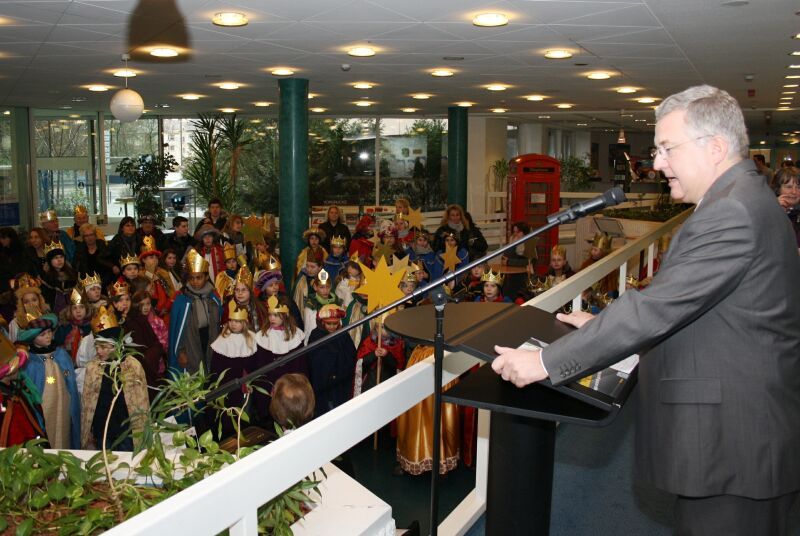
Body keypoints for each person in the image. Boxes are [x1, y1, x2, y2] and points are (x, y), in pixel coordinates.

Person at [491, 85, 800, 535]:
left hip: (737, 444)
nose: (656, 164)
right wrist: (601, 326)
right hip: (744, 436)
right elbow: (700, 308)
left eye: (667, 148)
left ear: (715, 147)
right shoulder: (743, 199)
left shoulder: (731, 211)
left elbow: (653, 309)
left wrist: (543, 361)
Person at [80, 307, 149, 451]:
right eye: (97, 347)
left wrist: (142, 432)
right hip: (102, 430)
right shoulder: (93, 367)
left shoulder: (132, 366)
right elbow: (87, 402)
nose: (99, 351)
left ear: (116, 345)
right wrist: (89, 431)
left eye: (104, 347)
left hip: (126, 431)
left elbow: (141, 401)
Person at [16, 312, 80, 449]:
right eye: (42, 334)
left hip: (64, 401)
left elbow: (70, 381)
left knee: (64, 428)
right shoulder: (30, 361)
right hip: (44, 404)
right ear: (33, 338)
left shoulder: (61, 354)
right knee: (47, 426)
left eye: (49, 332)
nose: (48, 336)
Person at [168, 248, 222, 375]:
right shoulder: (181, 300)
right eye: (192, 278)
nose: (195, 282)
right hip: (190, 343)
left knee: (211, 373)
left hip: (210, 339)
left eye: (199, 278)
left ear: (206, 277)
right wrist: (180, 352)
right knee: (195, 375)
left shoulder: (214, 298)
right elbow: (177, 331)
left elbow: (218, 323)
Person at [210, 301, 260, 437]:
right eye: (231, 320)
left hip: (245, 387)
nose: (233, 324)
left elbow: (255, 364)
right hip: (227, 387)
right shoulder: (222, 339)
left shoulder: (252, 338)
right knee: (228, 417)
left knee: (245, 414)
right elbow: (216, 367)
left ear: (244, 322)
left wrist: (249, 380)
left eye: (237, 321)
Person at [306, 303, 355, 417]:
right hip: (323, 385)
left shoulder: (343, 334)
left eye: (335, 323)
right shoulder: (316, 335)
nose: (332, 327)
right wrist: (332, 356)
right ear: (323, 322)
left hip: (340, 384)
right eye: (329, 323)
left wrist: (339, 358)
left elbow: (351, 355)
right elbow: (313, 359)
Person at [352, 320, 405, 397]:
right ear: (376, 328)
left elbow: (397, 366)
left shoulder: (397, 344)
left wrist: (387, 355)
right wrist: (374, 354)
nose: (385, 330)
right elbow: (362, 363)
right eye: (382, 327)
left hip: (388, 384)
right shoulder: (369, 342)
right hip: (370, 384)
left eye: (387, 327)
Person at [39, 241, 78, 315]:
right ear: (50, 261)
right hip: (55, 313)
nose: (59, 260)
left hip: (74, 312)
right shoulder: (46, 279)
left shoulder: (73, 275)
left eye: (61, 257)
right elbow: (46, 300)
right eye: (55, 258)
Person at [302, 269, 340, 344]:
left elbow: (339, 324)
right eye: (322, 287)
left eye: (327, 287)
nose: (325, 290)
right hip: (317, 340)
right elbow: (308, 329)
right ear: (315, 287)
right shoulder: (311, 305)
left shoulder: (336, 303)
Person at [73, 223, 115, 288]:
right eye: (86, 236)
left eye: (91, 234)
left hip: (105, 283)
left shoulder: (103, 248)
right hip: (87, 284)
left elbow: (110, 267)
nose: (89, 237)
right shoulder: (79, 250)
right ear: (83, 238)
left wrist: (101, 284)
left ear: (95, 235)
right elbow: (77, 269)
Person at [773, 166, 800, 248]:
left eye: (798, 187)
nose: (794, 192)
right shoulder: (767, 211)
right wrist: (776, 211)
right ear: (778, 189)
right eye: (789, 187)